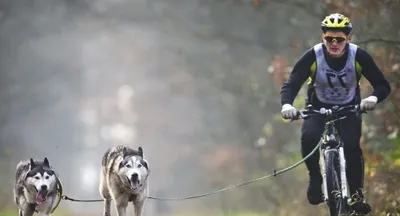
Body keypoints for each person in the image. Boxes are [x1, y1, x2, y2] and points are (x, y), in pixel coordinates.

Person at [280, 13, 391, 214]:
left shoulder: (359, 56)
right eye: (329, 39)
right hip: (317, 107)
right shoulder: (313, 56)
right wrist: (287, 105)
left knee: (351, 148)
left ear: (348, 39)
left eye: (339, 39)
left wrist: (373, 98)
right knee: (309, 138)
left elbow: (382, 85)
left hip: (349, 109)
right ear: (323, 38)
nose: (334, 43)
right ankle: (315, 177)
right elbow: (292, 82)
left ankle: (356, 195)